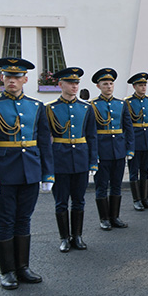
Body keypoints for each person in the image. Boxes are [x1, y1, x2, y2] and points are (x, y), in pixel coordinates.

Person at [0, 57, 54, 289]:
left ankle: (22, 267)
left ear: (25, 80)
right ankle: (7, 271)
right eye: (8, 76)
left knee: (24, 219)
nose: (12, 81)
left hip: (30, 171)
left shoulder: (36, 106)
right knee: (5, 221)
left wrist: (47, 173)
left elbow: (44, 142)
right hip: (3, 172)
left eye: (17, 77)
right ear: (2, 78)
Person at [46, 67, 98, 252]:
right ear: (61, 84)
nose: (74, 86)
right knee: (61, 201)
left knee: (79, 200)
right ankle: (64, 238)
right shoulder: (50, 108)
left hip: (81, 158)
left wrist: (93, 161)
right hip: (59, 159)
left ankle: (77, 236)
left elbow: (91, 136)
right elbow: (44, 139)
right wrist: (47, 167)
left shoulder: (86, 107)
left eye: (76, 83)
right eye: (70, 83)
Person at [91, 68, 135, 231]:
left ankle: (115, 217)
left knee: (117, 185)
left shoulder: (121, 104)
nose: (109, 86)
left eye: (111, 83)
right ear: (98, 86)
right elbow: (90, 133)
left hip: (118, 151)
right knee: (101, 186)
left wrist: (130, 149)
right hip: (102, 152)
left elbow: (128, 128)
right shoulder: (92, 105)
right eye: (105, 84)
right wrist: (93, 155)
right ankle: (104, 219)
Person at [125, 72, 148, 211]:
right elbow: (125, 125)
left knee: (145, 170)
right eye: (140, 85)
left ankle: (145, 198)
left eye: (145, 85)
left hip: (147, 140)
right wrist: (127, 144)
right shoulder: (127, 102)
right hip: (134, 141)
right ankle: (137, 200)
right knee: (134, 171)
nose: (143, 87)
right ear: (134, 86)